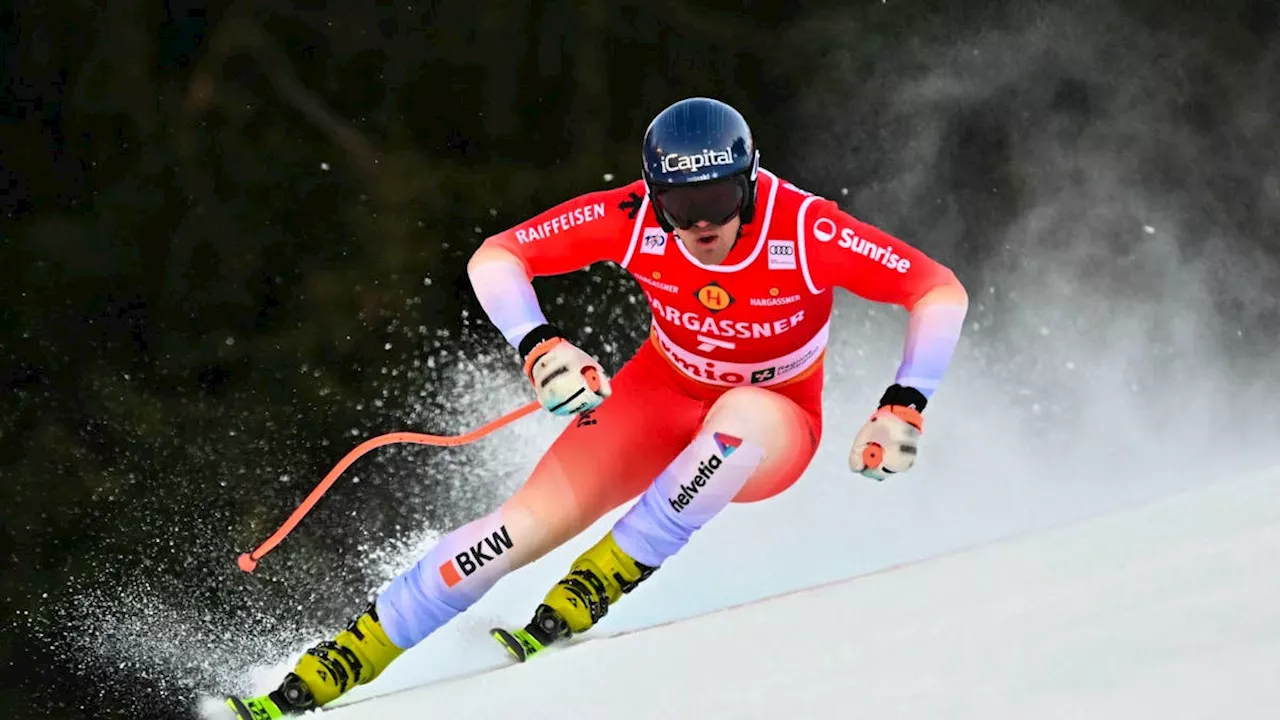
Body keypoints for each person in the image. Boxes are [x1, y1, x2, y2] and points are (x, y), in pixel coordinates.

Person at [226, 96, 969, 719]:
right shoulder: (631, 216)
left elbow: (937, 290)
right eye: (682, 205)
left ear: (750, 180)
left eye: (720, 199)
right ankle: (339, 662)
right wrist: (541, 345)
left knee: (737, 421)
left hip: (775, 419)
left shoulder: (804, 228)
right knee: (512, 532)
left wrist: (904, 404)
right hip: (655, 397)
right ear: (653, 193)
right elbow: (497, 256)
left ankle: (602, 579)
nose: (703, 223)